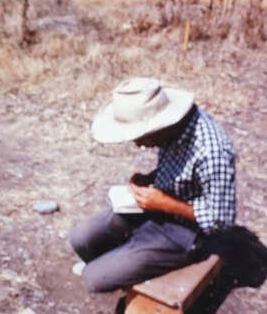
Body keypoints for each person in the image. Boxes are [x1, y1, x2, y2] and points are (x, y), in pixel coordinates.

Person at [69, 77, 236, 293]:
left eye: (141, 136)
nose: (138, 144)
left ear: (161, 125)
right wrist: (150, 178)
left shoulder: (213, 151)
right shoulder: (174, 128)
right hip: (157, 206)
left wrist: (165, 205)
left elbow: (221, 220)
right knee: (82, 236)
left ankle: (131, 262)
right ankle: (126, 260)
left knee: (93, 279)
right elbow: (184, 170)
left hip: (185, 231)